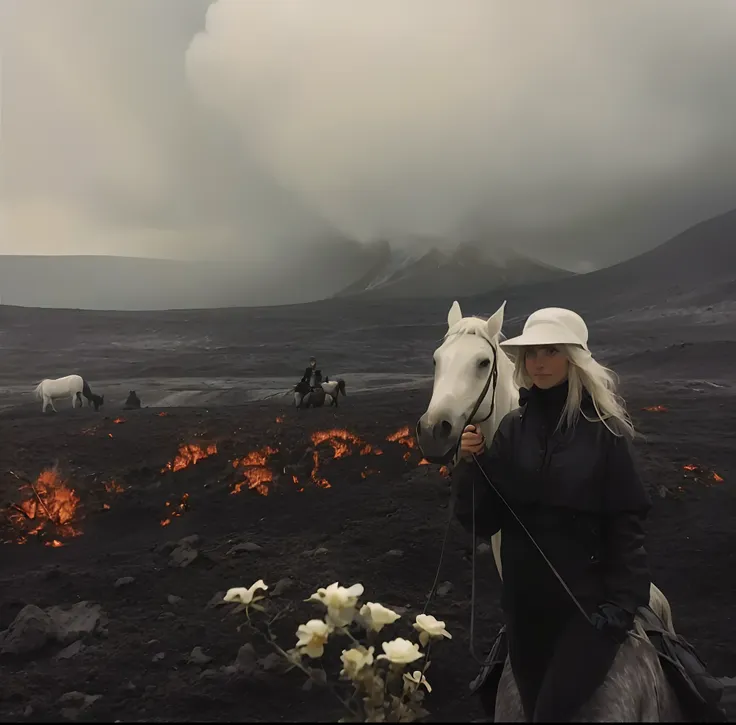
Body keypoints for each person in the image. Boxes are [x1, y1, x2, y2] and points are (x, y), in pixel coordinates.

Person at [453, 307, 652, 722]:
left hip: (585, 612)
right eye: (531, 354)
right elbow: (482, 521)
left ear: (574, 360)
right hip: (524, 611)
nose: (538, 362)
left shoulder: (607, 433)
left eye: (550, 351)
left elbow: (626, 526)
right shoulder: (511, 429)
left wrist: (617, 610)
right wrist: (472, 468)